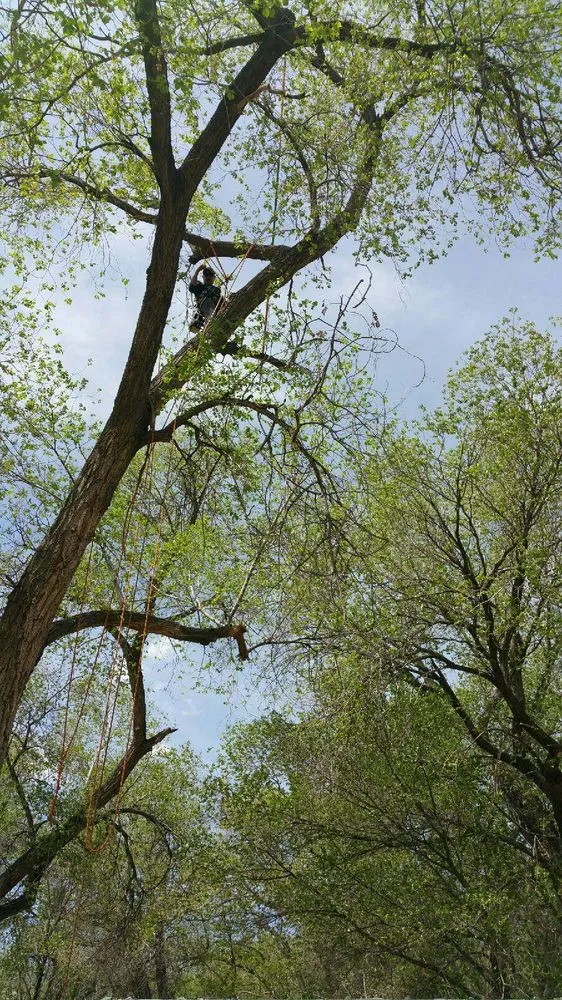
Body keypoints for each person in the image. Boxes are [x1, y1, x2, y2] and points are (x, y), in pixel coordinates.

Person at [188, 264, 222, 332]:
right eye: (206, 275)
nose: (208, 276)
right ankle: (210, 326)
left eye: (211, 275)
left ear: (214, 278)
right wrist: (197, 271)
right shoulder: (200, 286)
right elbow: (191, 287)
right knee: (208, 303)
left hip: (215, 308)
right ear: (203, 277)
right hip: (204, 306)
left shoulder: (217, 290)